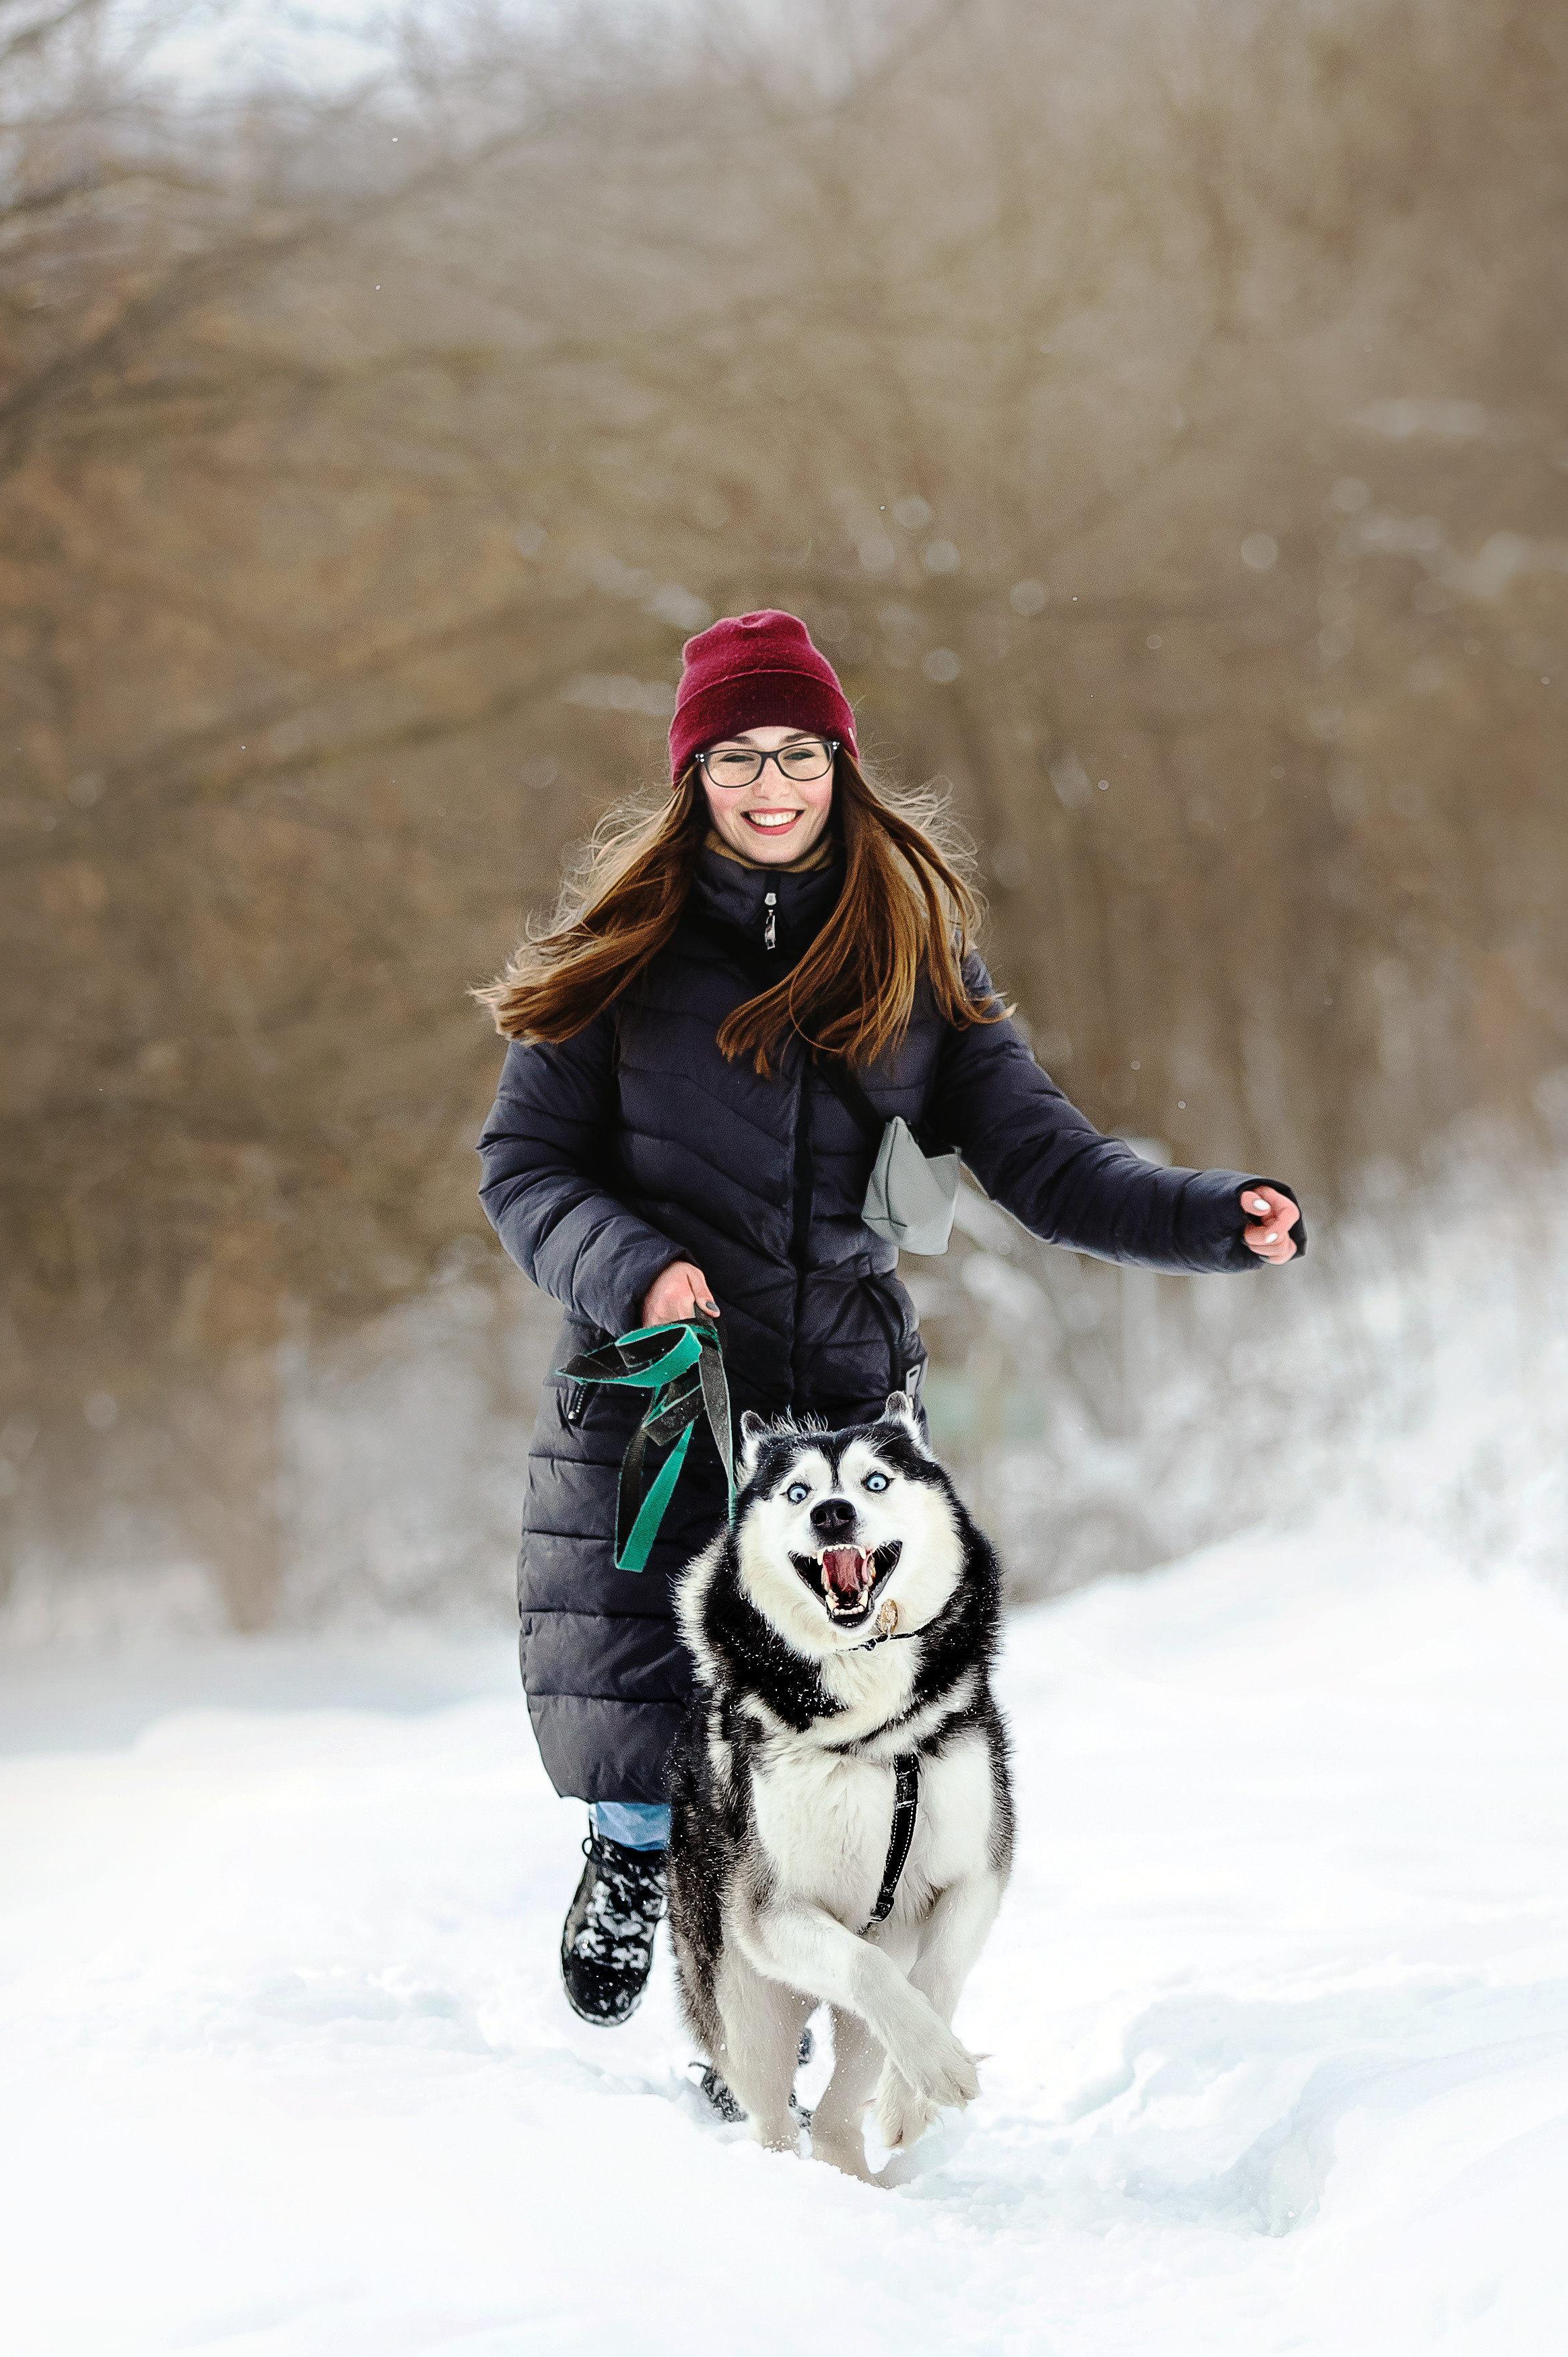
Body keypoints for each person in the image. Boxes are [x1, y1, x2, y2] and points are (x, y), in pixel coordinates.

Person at [475, 609, 1303, 2026]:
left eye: (797, 751)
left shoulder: (915, 949)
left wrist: (1210, 1216)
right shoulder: (624, 957)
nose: (770, 783)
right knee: (648, 1702)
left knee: (828, 1748)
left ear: (842, 764)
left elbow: (1046, 1160)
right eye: (736, 757)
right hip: (658, 1387)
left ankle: (761, 2026)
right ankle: (628, 1853)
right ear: (694, 779)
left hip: (841, 1410)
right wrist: (634, 1268)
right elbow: (525, 1169)